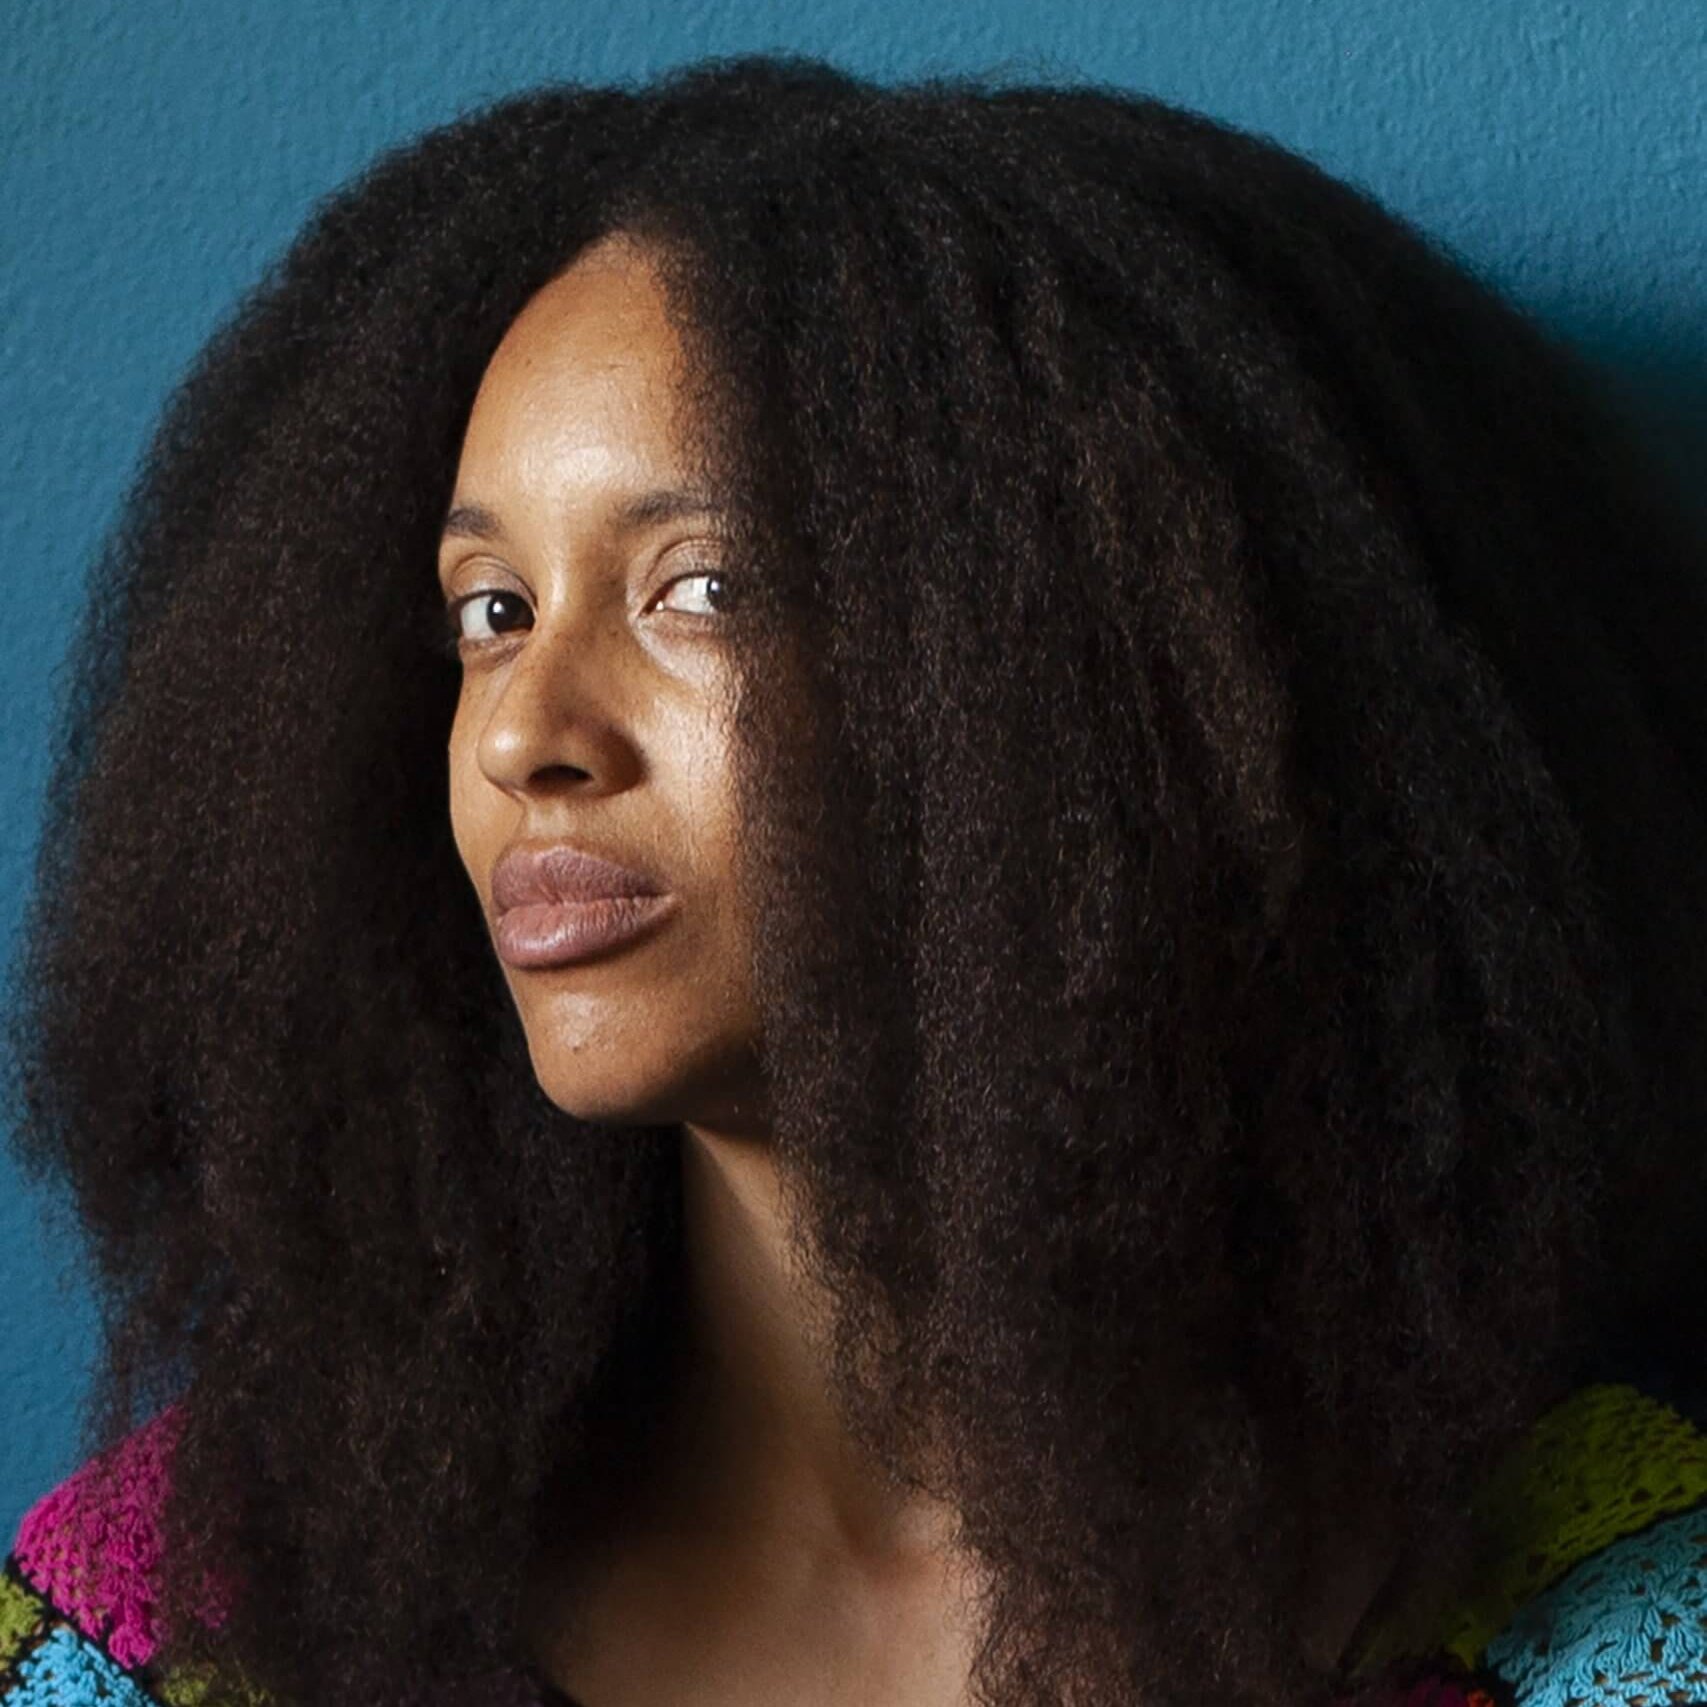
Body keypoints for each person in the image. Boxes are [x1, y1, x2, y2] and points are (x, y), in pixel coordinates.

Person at [3, 48, 1705, 1707]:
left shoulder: (1603, 1603)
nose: (527, 734)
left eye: (701, 588)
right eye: (491, 612)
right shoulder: (180, 1631)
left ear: (1074, 683)